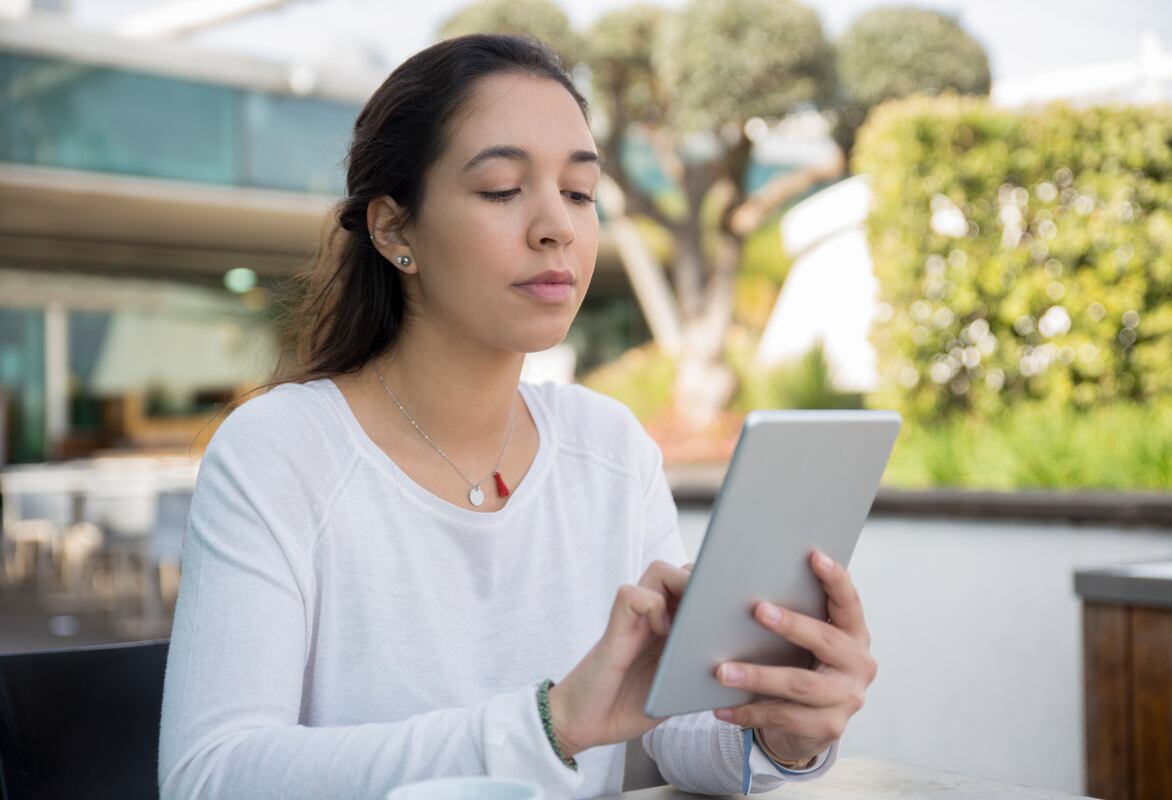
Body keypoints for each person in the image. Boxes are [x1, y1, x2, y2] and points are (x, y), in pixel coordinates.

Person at [157, 33, 877, 799]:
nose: (556, 225)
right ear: (394, 229)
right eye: (503, 189)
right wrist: (547, 726)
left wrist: (776, 727)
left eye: (580, 192)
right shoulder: (280, 452)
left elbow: (668, 728)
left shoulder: (609, 449)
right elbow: (210, 776)